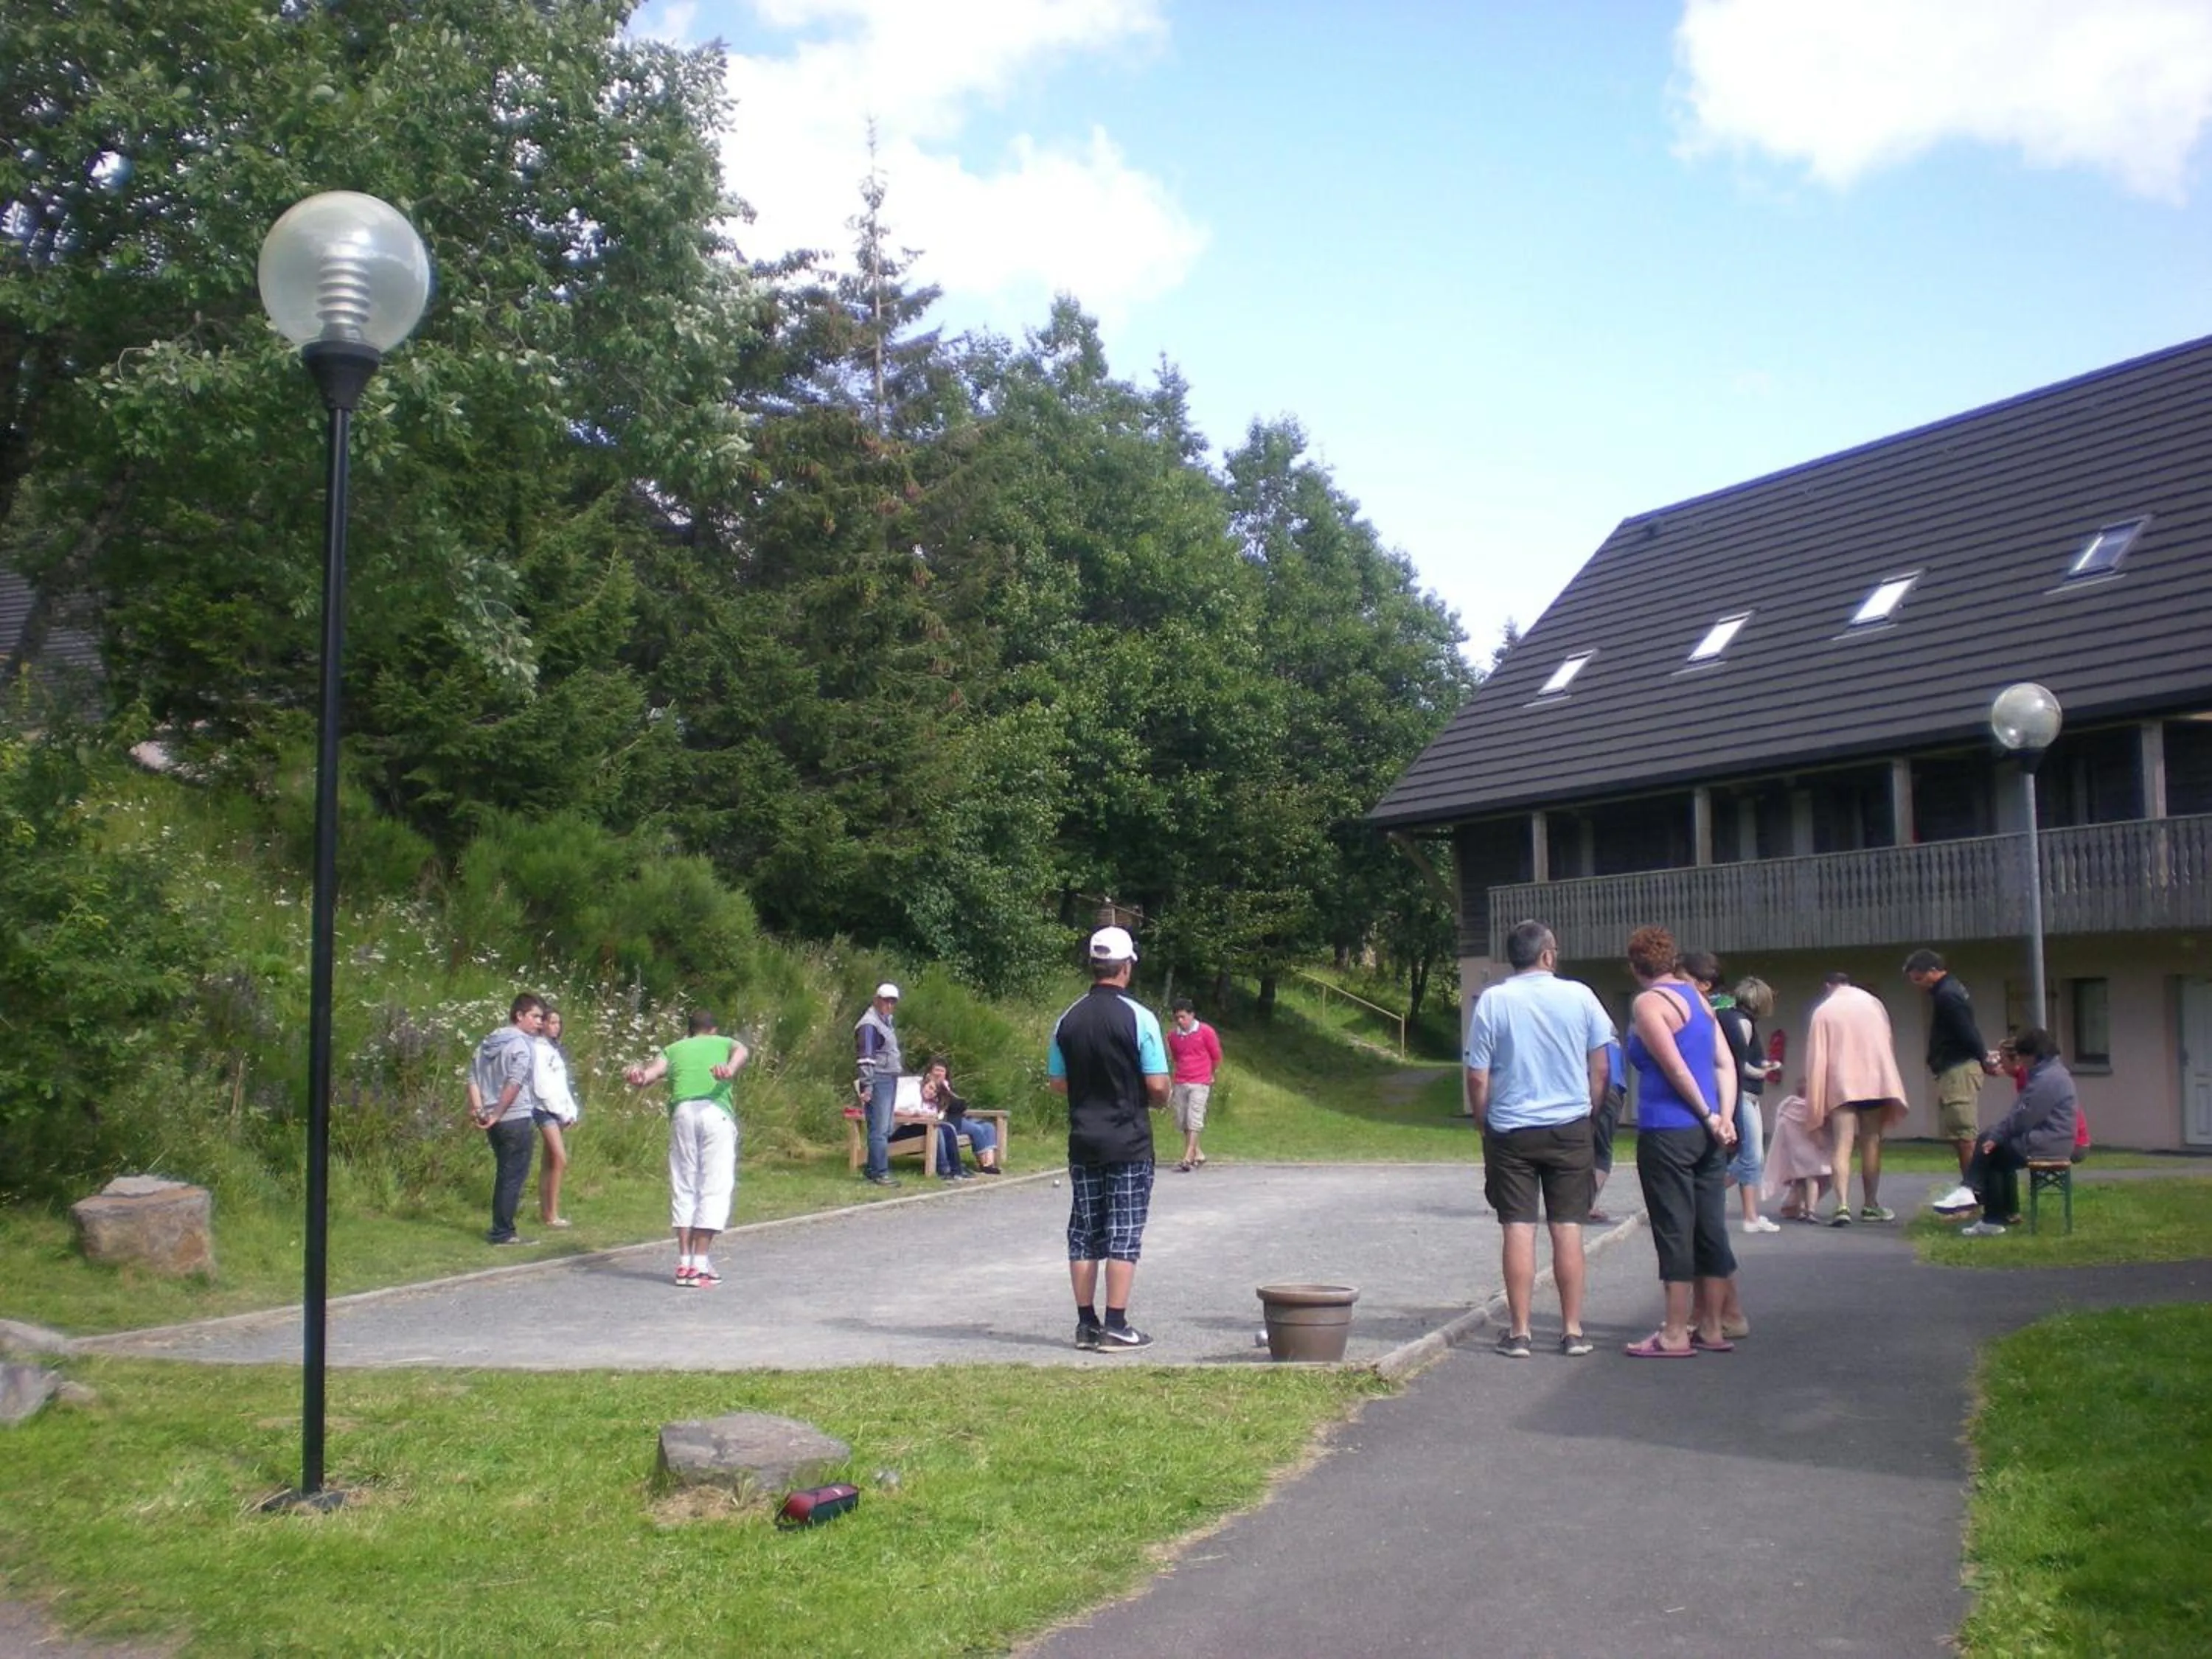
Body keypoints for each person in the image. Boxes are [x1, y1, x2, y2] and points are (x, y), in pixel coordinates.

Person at [1463, 919, 1613, 1358]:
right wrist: (1589, 1111)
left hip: (1511, 1129)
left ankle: (1520, 1332)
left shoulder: (1493, 1001)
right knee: (1568, 1228)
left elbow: (1477, 1074)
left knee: (1518, 1227)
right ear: (1547, 955)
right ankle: (1572, 1331)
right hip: (1570, 1126)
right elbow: (1601, 1067)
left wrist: (1482, 1120)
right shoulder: (1581, 996)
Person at [1621, 926, 1745, 1357]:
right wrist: (1723, 1116)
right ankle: (1711, 1327)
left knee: (1674, 1228)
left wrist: (1709, 1114)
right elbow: (1725, 1064)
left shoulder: (1648, 1004)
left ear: (1635, 966)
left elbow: (1675, 1069)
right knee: (1710, 1226)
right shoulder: (1699, 1000)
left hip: (1668, 1130)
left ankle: (1674, 1333)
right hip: (1709, 1135)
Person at [1049, 925, 1170, 1352]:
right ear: (1126, 967)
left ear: (1093, 965)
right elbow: (1158, 1084)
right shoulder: (1141, 1018)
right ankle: (1116, 1325)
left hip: (1084, 1139)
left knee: (1083, 1231)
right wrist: (1154, 1098)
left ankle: (1086, 1325)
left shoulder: (1068, 1018)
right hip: (1128, 1140)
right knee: (1124, 1230)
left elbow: (1057, 1082)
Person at [625, 1009, 749, 1287]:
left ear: (689, 1031)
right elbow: (742, 1051)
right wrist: (729, 1069)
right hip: (715, 1111)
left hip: (683, 1113)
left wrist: (638, 1076)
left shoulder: (673, 1049)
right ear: (714, 1029)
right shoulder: (723, 1042)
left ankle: (684, 1263)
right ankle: (700, 1264)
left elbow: (649, 1075)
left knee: (685, 1184)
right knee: (714, 1186)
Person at [1931, 1027, 2077, 1237]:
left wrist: (1998, 1136)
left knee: (1993, 1148)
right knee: (1992, 1146)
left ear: (2032, 1055)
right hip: (2047, 1138)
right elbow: (2019, 1114)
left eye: (2022, 1056)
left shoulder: (2047, 1079)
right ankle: (1985, 1207)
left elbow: (2025, 1117)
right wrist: (1997, 1135)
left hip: (2049, 1142)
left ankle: (1976, 1198)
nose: (2021, 1062)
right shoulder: (2049, 1074)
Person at [1802, 973, 1910, 1225]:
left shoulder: (1824, 1010)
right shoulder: (1873, 1004)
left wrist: (1815, 1093)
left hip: (1840, 1084)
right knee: (1871, 1141)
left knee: (1842, 1145)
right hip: (1873, 1082)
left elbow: (1816, 1056)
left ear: (1828, 985)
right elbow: (1886, 1042)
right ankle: (1870, 1204)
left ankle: (1842, 1205)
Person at [1690, 961, 1782, 1234]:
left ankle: (1751, 1217)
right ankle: (1699, 1195)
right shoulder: (1742, 1023)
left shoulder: (1728, 1016)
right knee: (1750, 1157)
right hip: (1743, 1094)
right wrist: (1765, 1070)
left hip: (1741, 1094)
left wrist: (1761, 1065)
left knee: (1749, 1155)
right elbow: (1739, 1065)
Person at [1904, 948, 1999, 1177]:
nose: (1918, 985)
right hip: (1954, 1069)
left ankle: (1973, 1188)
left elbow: (1967, 1031)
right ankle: (1971, 1185)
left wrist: (1984, 1058)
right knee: (1957, 1134)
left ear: (1933, 971)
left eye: (1919, 978)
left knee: (1964, 1135)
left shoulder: (1947, 995)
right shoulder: (1950, 990)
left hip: (1958, 1069)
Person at [469, 993, 546, 1245]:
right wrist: (497, 1113)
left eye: (542, 1018)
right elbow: (514, 1083)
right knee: (513, 1175)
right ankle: (503, 1232)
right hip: (514, 1117)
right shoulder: (522, 1045)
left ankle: (501, 1228)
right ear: (519, 1016)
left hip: (494, 1118)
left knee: (505, 1173)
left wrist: (481, 1110)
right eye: (535, 1016)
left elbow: (473, 1077)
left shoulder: (487, 1043)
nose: (540, 1022)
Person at [533, 1007, 580, 1229]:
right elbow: (542, 1085)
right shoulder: (537, 1049)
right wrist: (559, 1112)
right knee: (560, 1158)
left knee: (550, 1160)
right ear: (542, 1024)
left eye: (558, 1023)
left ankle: (547, 1212)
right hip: (544, 1109)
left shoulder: (555, 1049)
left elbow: (561, 1085)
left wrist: (570, 1111)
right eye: (552, 1022)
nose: (556, 1027)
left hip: (558, 1109)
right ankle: (551, 1215)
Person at [854, 982, 905, 1188]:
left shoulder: (885, 1022)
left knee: (885, 1127)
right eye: (886, 1001)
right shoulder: (869, 1025)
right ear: (876, 1000)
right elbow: (865, 1058)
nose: (889, 1005)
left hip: (889, 1078)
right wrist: (867, 1086)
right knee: (879, 1129)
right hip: (878, 1079)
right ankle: (880, 1172)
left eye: (893, 1002)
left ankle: (872, 1168)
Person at [1761, 1079, 1834, 1222]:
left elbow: (1782, 1128)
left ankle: (1800, 1209)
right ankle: (1810, 1210)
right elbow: (1819, 1131)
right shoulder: (1813, 1110)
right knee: (1812, 1180)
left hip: (1796, 1153)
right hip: (1812, 1153)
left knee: (1799, 1181)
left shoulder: (1789, 1109)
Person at [919, 1055, 1001, 1178]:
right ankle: (983, 1164)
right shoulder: (928, 1086)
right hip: (947, 1121)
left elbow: (959, 1104)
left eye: (942, 1071)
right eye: (936, 1070)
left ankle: (989, 1164)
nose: (939, 1074)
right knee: (976, 1129)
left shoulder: (946, 1087)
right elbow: (942, 1109)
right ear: (930, 1072)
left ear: (946, 1073)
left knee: (989, 1127)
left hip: (957, 1118)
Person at [1166, 998, 1223, 1172]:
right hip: (1181, 1080)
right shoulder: (1173, 1036)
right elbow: (1176, 1057)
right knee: (1183, 1119)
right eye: (1177, 1018)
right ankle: (1198, 1153)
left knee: (1195, 1118)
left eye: (1183, 1017)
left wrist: (1210, 1073)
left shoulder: (1206, 1032)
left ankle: (1188, 1157)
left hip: (1200, 1081)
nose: (1180, 1021)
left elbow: (1216, 1056)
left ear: (1192, 1015)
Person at [1587, 1037, 1626, 1223]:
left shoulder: (1592, 1030)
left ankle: (1582, 1203)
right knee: (1602, 1151)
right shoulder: (1605, 1032)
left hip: (1595, 1084)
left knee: (1588, 1147)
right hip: (1608, 1087)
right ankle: (1587, 1205)